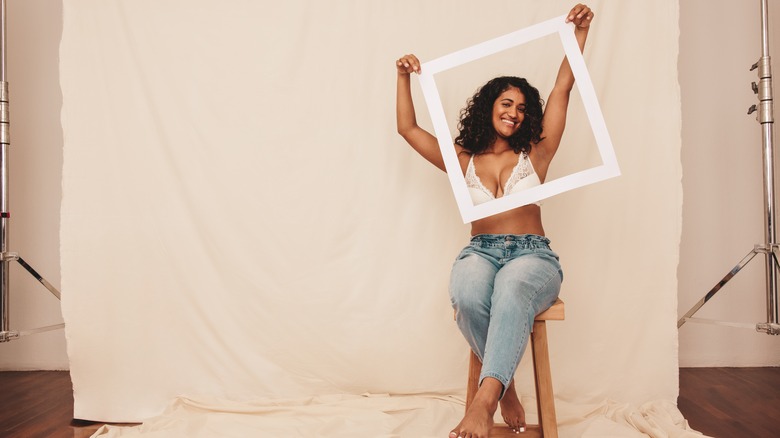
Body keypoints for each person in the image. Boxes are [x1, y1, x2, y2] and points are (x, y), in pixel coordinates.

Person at [395, 4, 594, 438]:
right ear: (490, 106)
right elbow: (408, 129)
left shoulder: (536, 154)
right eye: (507, 103)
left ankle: (484, 402)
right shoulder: (461, 159)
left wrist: (579, 33)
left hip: (532, 255)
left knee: (511, 288)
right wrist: (404, 76)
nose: (515, 113)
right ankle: (505, 388)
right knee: (465, 292)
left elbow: (563, 87)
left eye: (523, 108)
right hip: (480, 252)